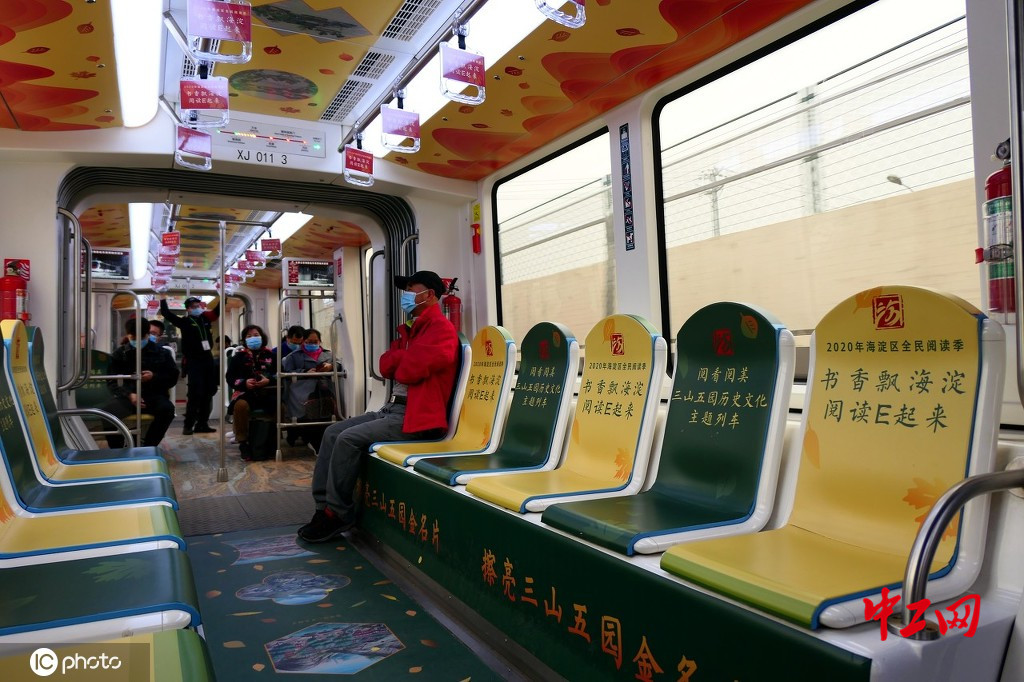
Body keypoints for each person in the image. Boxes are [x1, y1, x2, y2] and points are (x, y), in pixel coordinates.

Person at [298, 270, 458, 543]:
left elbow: (408, 371)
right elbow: (385, 366)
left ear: (430, 294)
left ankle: (338, 513)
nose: (406, 295)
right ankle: (323, 508)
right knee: (332, 432)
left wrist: (401, 357)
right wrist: (404, 356)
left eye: (411, 289)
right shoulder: (411, 331)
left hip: (415, 417)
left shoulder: (441, 330)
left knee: (347, 439)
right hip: (391, 409)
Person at [103, 317, 179, 449]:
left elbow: (172, 378)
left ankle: (148, 446)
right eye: (133, 337)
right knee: (107, 413)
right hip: (127, 398)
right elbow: (111, 381)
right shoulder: (120, 354)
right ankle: (117, 449)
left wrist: (154, 377)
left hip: (154, 396)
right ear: (128, 335)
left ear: (147, 334)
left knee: (167, 410)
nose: (137, 340)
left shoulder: (162, 353)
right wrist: (129, 394)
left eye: (141, 337)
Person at [160, 295, 220, 435]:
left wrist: (224, 297)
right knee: (195, 394)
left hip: (208, 359)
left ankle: (202, 424)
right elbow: (166, 313)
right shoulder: (185, 322)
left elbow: (217, 312)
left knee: (209, 391)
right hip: (194, 361)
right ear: (188, 309)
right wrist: (163, 299)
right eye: (193, 307)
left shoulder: (205, 319)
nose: (197, 308)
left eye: (198, 306)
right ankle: (188, 425)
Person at [282, 328, 338, 451]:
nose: (312, 344)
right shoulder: (293, 356)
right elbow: (288, 372)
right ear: (303, 341)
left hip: (324, 389)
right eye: (309, 342)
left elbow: (338, 365)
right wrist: (305, 372)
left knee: (325, 411)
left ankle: (322, 444)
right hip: (302, 390)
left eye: (315, 342)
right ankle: (313, 442)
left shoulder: (328, 355)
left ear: (320, 341)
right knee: (309, 411)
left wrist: (331, 366)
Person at [226, 324, 277, 461]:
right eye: (249, 336)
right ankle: (243, 443)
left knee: (280, 406)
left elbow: (280, 374)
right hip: (246, 393)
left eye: (256, 335)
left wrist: (269, 380)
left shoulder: (272, 355)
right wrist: (244, 383)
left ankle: (273, 441)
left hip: (268, 392)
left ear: (262, 337)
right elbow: (230, 378)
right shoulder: (238, 357)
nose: (253, 338)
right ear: (244, 340)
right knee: (240, 406)